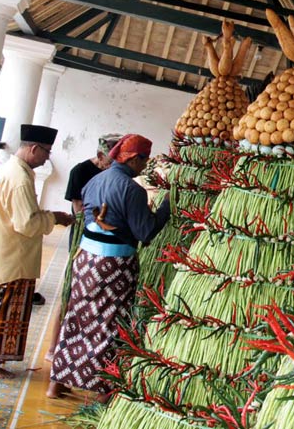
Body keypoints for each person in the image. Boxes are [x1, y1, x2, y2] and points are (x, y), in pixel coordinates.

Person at [47, 134, 170, 402]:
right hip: (114, 265)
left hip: (86, 260)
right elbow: (145, 232)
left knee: (78, 317)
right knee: (109, 324)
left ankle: (56, 384)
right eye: (144, 160)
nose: (145, 165)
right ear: (136, 159)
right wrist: (166, 207)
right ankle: (103, 391)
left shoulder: (94, 180)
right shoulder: (132, 189)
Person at [0, 124, 74, 379]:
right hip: (12, 256)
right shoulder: (18, 177)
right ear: (34, 149)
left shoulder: (17, 171)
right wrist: (55, 218)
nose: (48, 157)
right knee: (4, 309)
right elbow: (26, 223)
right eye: (46, 152)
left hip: (10, 253)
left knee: (0, 306)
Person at [44, 133, 122, 362]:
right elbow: (79, 210)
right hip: (83, 237)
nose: (114, 165)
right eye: (111, 159)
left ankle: (77, 349)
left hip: (99, 239)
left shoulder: (111, 174)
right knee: (69, 293)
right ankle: (53, 347)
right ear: (100, 155)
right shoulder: (80, 172)